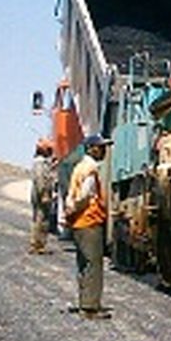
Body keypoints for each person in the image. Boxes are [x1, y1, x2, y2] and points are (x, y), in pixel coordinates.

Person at [64, 133, 112, 318]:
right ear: (92, 148)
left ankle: (85, 302)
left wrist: (70, 212)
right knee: (93, 263)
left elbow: (71, 194)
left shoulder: (79, 167)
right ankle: (91, 307)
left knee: (83, 263)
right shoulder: (90, 169)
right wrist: (75, 209)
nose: (105, 151)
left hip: (79, 223)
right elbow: (84, 196)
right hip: (89, 221)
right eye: (101, 147)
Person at [28, 139, 56, 254]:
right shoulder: (40, 163)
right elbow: (40, 179)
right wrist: (44, 194)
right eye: (49, 149)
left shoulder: (41, 162)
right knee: (41, 219)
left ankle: (37, 244)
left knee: (39, 218)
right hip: (41, 194)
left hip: (40, 193)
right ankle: (38, 245)